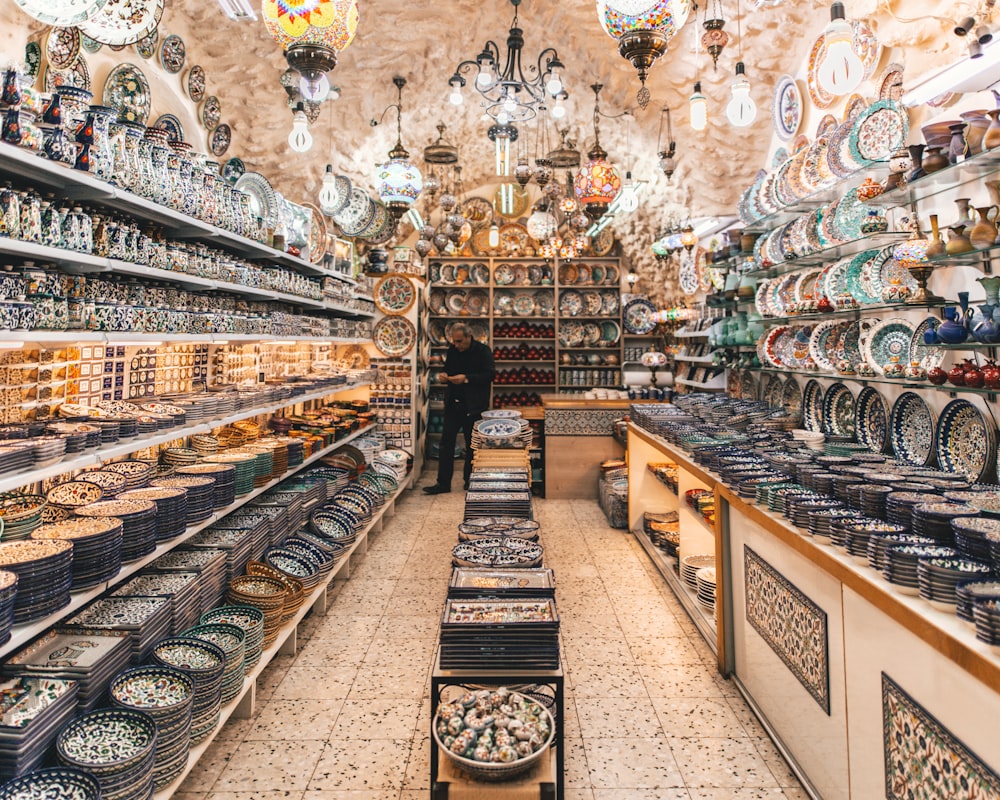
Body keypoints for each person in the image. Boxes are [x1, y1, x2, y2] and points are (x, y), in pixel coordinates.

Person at [423, 322, 495, 494]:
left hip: (474, 406)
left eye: (459, 341)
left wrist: (467, 379)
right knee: (446, 444)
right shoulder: (453, 350)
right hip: (453, 403)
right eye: (454, 341)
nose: (456, 345)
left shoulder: (483, 351)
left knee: (472, 445)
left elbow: (489, 375)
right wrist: (444, 376)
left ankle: (470, 481)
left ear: (469, 336)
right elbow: (448, 370)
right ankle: (443, 483)